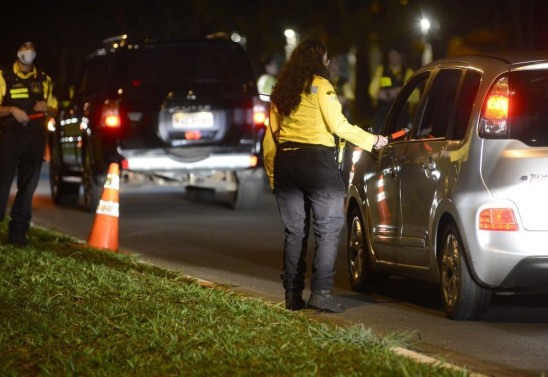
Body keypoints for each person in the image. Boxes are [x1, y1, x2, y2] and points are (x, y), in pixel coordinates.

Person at [263, 39, 388, 313]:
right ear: (320, 61)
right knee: (329, 228)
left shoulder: (281, 91)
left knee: (294, 232)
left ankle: (292, 295)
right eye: (327, 59)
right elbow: (338, 126)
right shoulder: (322, 86)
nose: (329, 63)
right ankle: (321, 293)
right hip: (317, 163)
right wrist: (373, 140)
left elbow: (270, 138)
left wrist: (274, 175)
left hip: (286, 162)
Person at [0, 41, 58, 246]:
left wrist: (47, 109)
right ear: (17, 52)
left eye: (31, 48)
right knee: (2, 183)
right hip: (8, 136)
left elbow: (54, 109)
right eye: (24, 48)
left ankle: (18, 233)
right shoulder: (3, 76)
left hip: (34, 138)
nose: (28, 51)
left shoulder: (44, 80)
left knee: (27, 188)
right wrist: (11, 110)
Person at [368, 45, 414, 133]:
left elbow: (414, 95)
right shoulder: (381, 70)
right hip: (383, 113)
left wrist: (398, 91)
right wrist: (380, 93)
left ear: (401, 56)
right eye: (391, 54)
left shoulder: (408, 72)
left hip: (401, 115)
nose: (393, 57)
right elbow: (372, 90)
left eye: (396, 54)